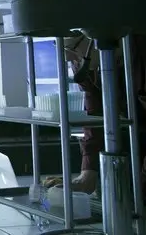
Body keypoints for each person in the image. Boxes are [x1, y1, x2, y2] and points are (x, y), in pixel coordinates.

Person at [44, 34, 146, 197]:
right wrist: (88, 171)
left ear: (97, 33)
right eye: (59, 47)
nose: (68, 57)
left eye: (70, 47)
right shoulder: (85, 63)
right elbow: (95, 116)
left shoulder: (140, 51)